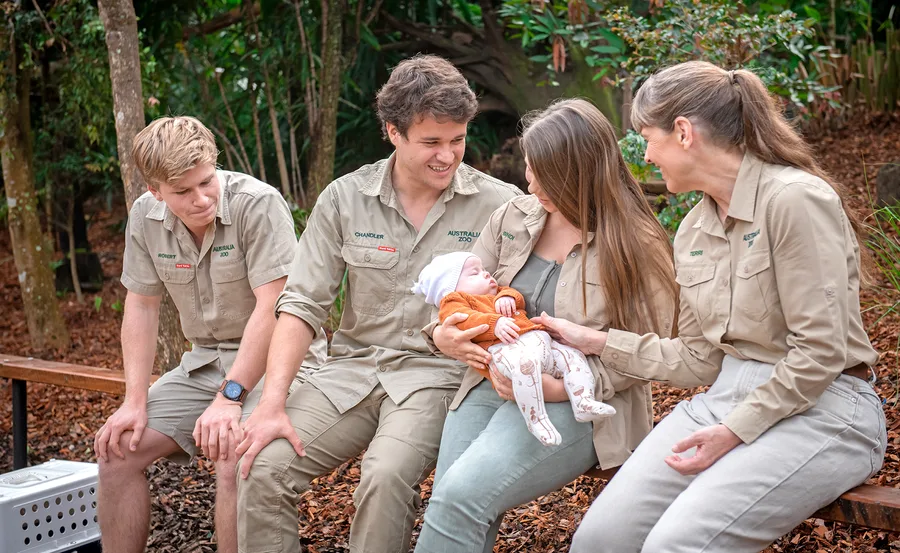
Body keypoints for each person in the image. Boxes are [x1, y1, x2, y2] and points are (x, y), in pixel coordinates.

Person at [565, 61, 887, 552]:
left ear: (683, 132)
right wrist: (597, 342)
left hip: (828, 408)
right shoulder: (693, 230)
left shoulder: (794, 200)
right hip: (725, 398)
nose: (646, 155)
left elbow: (820, 352)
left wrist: (734, 431)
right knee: (598, 540)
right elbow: (700, 357)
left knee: (675, 545)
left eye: (648, 139)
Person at [233, 54, 521, 553]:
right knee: (262, 465)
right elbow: (301, 306)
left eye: (457, 140)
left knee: (386, 477)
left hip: (437, 376)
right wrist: (271, 404)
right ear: (393, 131)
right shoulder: (345, 199)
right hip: (351, 370)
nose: (448, 156)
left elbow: (519, 301)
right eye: (431, 142)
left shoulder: (499, 205)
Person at [412, 98, 679, 552]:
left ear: (580, 174)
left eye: (543, 173)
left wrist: (560, 389)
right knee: (453, 501)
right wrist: (443, 335)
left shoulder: (636, 244)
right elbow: (456, 292)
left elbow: (651, 351)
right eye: (530, 168)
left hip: (576, 400)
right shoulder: (513, 218)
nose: (530, 182)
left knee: (461, 497)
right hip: (488, 382)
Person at [93, 116, 327, 553]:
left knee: (232, 453)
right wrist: (134, 401)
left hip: (283, 358)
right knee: (118, 452)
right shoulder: (145, 217)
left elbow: (272, 307)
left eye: (206, 182)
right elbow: (141, 305)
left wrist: (229, 398)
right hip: (203, 361)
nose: (201, 199)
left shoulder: (257, 203)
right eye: (182, 191)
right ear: (154, 191)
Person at [412, 251, 615, 446]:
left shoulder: (497, 293)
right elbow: (464, 321)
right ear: (449, 289)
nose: (486, 274)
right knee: (525, 372)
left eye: (484, 269)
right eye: (474, 273)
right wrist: (495, 323)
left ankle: (583, 401)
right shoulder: (455, 302)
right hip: (505, 350)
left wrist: (507, 297)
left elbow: (515, 295)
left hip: (541, 341)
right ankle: (536, 419)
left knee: (573, 356)